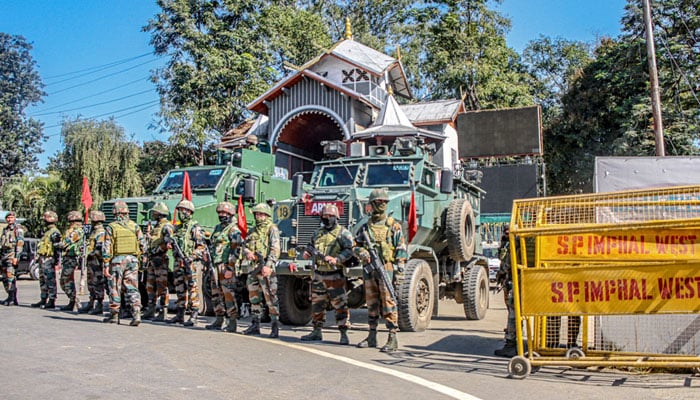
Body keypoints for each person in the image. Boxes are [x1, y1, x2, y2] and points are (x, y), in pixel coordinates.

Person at [354, 189, 407, 352]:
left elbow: (401, 249)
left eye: (384, 202)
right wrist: (360, 252)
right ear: (372, 204)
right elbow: (355, 245)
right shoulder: (365, 227)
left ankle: (392, 337)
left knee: (388, 303)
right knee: (371, 302)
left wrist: (399, 272)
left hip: (387, 268)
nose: (382, 205)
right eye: (378, 202)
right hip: (370, 270)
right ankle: (371, 336)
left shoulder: (393, 226)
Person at [300, 204, 354, 345]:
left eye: (330, 216)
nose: (327, 218)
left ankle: (343, 333)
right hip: (319, 274)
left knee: (340, 305)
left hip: (335, 275)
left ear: (336, 217)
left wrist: (336, 259)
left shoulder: (343, 233)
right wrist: (307, 253)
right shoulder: (317, 233)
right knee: (317, 305)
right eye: (325, 216)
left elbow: (349, 251)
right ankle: (316, 331)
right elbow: (310, 246)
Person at [102, 201, 145, 326]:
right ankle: (136, 313)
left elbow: (106, 247)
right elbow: (143, 245)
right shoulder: (135, 226)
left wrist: (106, 264)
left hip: (117, 261)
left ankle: (114, 315)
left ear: (115, 213)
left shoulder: (111, 227)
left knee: (115, 287)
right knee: (132, 287)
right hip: (133, 260)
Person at [241, 202, 280, 338]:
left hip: (265, 269)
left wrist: (268, 265)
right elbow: (244, 245)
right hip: (253, 269)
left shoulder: (272, 229)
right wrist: (247, 252)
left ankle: (274, 326)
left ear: (267, 215)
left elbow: (275, 249)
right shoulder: (252, 231)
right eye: (257, 214)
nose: (258, 217)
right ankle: (255, 324)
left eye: (261, 214)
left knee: (271, 298)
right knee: (254, 298)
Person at [166, 199, 206, 327]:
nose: (181, 213)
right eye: (180, 210)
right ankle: (180, 314)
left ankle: (194, 314)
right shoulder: (177, 228)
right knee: (179, 287)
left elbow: (201, 247)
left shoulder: (195, 227)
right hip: (178, 262)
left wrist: (191, 257)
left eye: (184, 210)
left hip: (190, 263)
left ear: (190, 212)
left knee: (192, 288)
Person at [205, 201, 243, 333]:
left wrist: (229, 268)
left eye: (225, 213)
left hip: (225, 266)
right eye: (220, 213)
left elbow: (237, 250)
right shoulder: (217, 228)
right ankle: (219, 319)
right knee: (215, 294)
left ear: (231, 214)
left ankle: (232, 322)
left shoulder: (234, 230)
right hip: (214, 265)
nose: (222, 215)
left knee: (228, 295)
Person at [141, 202, 174, 322]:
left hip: (160, 259)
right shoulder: (156, 226)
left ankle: (163, 310)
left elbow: (168, 243)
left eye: (155, 212)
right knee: (150, 285)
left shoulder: (167, 226)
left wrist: (156, 250)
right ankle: (151, 309)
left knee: (162, 286)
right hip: (152, 259)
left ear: (160, 213)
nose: (153, 214)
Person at [494, 225, 518, 357]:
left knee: (514, 313)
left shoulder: (514, 242)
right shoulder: (508, 242)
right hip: (513, 280)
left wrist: (502, 273)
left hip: (515, 281)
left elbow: (507, 263)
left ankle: (511, 344)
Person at [31, 211, 62, 309]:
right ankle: (43, 299)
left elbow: (57, 248)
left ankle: (52, 300)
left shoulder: (55, 232)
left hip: (49, 258)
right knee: (42, 279)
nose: (44, 219)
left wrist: (57, 261)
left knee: (50, 280)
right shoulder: (46, 232)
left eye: (47, 217)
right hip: (42, 258)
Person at [78, 210, 107, 314]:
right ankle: (91, 303)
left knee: (98, 283)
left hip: (97, 263)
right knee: (91, 283)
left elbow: (100, 249)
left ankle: (99, 305)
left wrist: (91, 253)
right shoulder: (93, 232)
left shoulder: (101, 232)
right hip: (91, 262)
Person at [58, 210, 85, 311]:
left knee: (66, 280)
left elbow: (66, 242)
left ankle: (74, 301)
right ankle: (72, 300)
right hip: (68, 257)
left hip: (72, 258)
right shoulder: (72, 230)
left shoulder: (77, 231)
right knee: (65, 280)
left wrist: (58, 244)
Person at [0, 211, 24, 306]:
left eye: (11, 217)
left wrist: (16, 257)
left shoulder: (18, 229)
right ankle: (11, 296)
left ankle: (12, 298)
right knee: (5, 278)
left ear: (14, 218)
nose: (10, 219)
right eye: (8, 218)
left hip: (11, 255)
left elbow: (20, 243)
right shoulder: (5, 230)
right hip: (4, 256)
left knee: (11, 277)